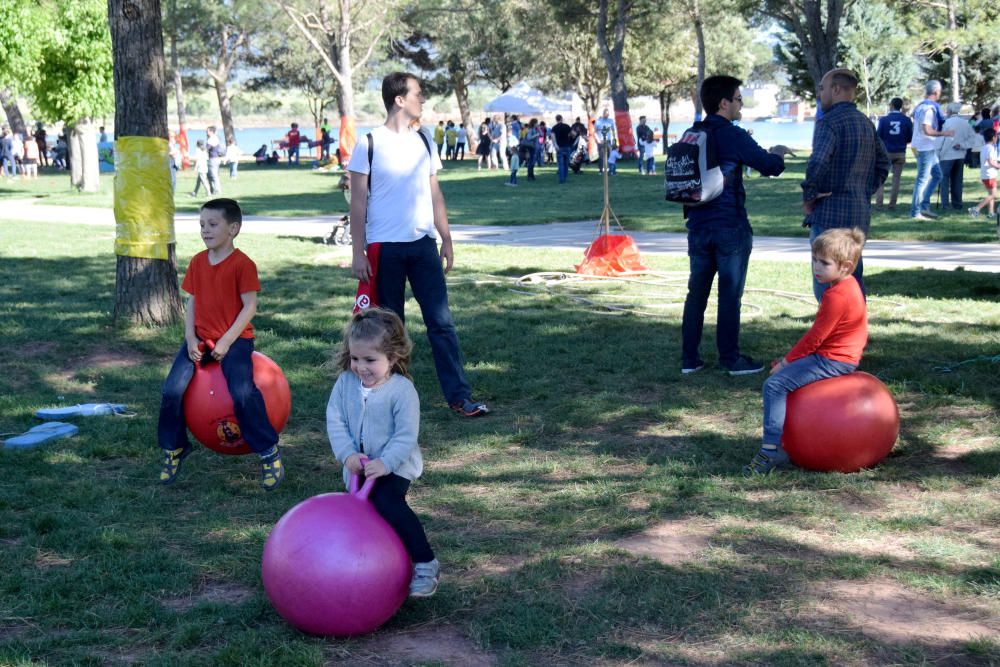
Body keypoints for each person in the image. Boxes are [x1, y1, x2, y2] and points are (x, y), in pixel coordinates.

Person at [348, 72, 489, 417]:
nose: (422, 99)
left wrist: (446, 238)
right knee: (389, 330)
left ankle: (459, 397)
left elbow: (434, 193)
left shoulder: (425, 139)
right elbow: (358, 203)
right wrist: (357, 251)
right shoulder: (368, 143)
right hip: (385, 249)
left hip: (423, 245)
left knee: (441, 323)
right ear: (399, 99)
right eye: (418, 94)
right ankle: (392, 399)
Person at [157, 198, 285, 490]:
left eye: (213, 224)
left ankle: (268, 451)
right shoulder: (198, 262)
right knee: (172, 390)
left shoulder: (243, 264)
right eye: (202, 224)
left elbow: (249, 307)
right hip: (199, 339)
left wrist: (227, 341)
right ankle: (174, 447)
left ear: (233, 229)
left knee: (241, 393)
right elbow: (193, 302)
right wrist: (190, 337)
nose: (205, 230)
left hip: (235, 340)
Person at [326, 308, 440, 597]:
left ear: (393, 357)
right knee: (360, 514)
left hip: (395, 466)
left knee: (387, 503)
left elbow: (405, 436)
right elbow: (335, 420)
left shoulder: (402, 391)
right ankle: (360, 568)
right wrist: (347, 454)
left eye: (370, 360)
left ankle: (426, 563)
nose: (361, 367)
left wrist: (386, 463)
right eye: (355, 358)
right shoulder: (345, 384)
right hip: (356, 467)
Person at [680, 75, 786, 376]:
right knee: (729, 295)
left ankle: (690, 359)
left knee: (696, 294)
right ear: (724, 103)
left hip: (698, 225)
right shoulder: (733, 134)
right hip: (729, 226)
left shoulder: (691, 133)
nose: (741, 104)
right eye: (738, 99)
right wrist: (778, 151)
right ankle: (730, 359)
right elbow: (770, 166)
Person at [743, 228, 868, 475]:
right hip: (837, 356)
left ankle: (770, 451)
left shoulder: (836, 296)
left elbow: (815, 338)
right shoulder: (849, 284)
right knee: (783, 378)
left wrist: (786, 363)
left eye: (824, 263)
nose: (816, 267)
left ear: (845, 266)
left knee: (774, 385)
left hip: (833, 360)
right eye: (814, 260)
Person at [801, 68, 889, 302]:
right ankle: (854, 328)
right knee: (852, 275)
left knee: (827, 276)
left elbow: (818, 162)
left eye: (822, 88)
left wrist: (809, 197)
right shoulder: (865, 123)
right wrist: (864, 190)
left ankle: (833, 331)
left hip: (830, 212)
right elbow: (884, 163)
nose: (820, 93)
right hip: (858, 213)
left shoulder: (829, 122)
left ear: (836, 89)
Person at [910, 80, 955, 220]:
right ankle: (915, 212)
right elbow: (927, 130)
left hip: (921, 145)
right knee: (922, 180)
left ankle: (924, 205)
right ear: (936, 92)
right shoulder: (929, 109)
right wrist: (945, 133)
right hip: (925, 147)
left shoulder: (921, 106)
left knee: (937, 175)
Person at [874, 98, 913, 210]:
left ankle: (879, 203)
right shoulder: (906, 120)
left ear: (891, 105)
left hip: (886, 152)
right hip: (900, 152)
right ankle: (892, 204)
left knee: (881, 178)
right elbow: (909, 137)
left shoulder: (884, 120)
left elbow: (878, 136)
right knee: (896, 179)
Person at [938, 102, 976, 211]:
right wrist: (962, 145)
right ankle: (957, 203)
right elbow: (972, 140)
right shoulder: (966, 123)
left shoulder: (947, 122)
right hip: (960, 155)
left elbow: (942, 139)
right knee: (957, 180)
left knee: (944, 180)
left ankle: (945, 204)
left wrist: (938, 153)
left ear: (949, 111)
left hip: (947, 155)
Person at [970, 128, 1000, 217]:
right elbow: (991, 162)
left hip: (985, 174)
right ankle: (976, 209)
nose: (997, 138)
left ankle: (991, 213)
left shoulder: (984, 147)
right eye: (997, 136)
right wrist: (998, 166)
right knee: (993, 194)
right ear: (994, 137)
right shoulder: (991, 148)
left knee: (990, 194)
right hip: (990, 175)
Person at [551, 114, 574, 184]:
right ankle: (565, 176)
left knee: (560, 164)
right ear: (561, 119)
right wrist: (569, 136)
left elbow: (552, 137)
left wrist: (555, 145)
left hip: (559, 147)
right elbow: (573, 134)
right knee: (566, 163)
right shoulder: (567, 126)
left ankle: (561, 179)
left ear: (556, 119)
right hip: (567, 146)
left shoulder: (554, 128)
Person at [205, 126, 223, 195]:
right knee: (214, 175)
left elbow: (206, 148)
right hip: (217, 159)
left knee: (213, 175)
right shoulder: (216, 138)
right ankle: (214, 189)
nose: (206, 132)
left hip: (212, 159)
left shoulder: (211, 139)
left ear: (211, 132)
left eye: (208, 131)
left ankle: (217, 190)